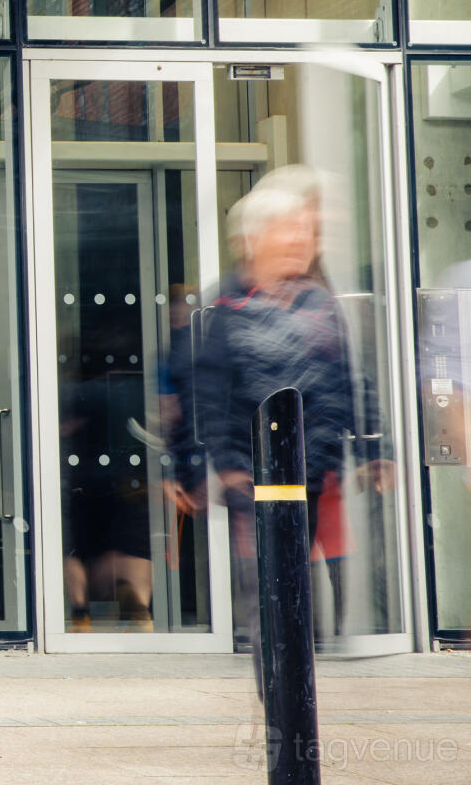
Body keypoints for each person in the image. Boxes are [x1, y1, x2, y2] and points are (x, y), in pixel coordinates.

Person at [174, 166, 391, 688]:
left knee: (298, 589)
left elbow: (349, 380)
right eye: (289, 231)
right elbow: (202, 395)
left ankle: (294, 697)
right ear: (255, 239)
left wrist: (374, 447)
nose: (301, 241)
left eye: (305, 232)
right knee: (271, 593)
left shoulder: (319, 304)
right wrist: (218, 466)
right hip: (255, 480)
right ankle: (279, 701)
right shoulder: (225, 308)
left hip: (311, 473)